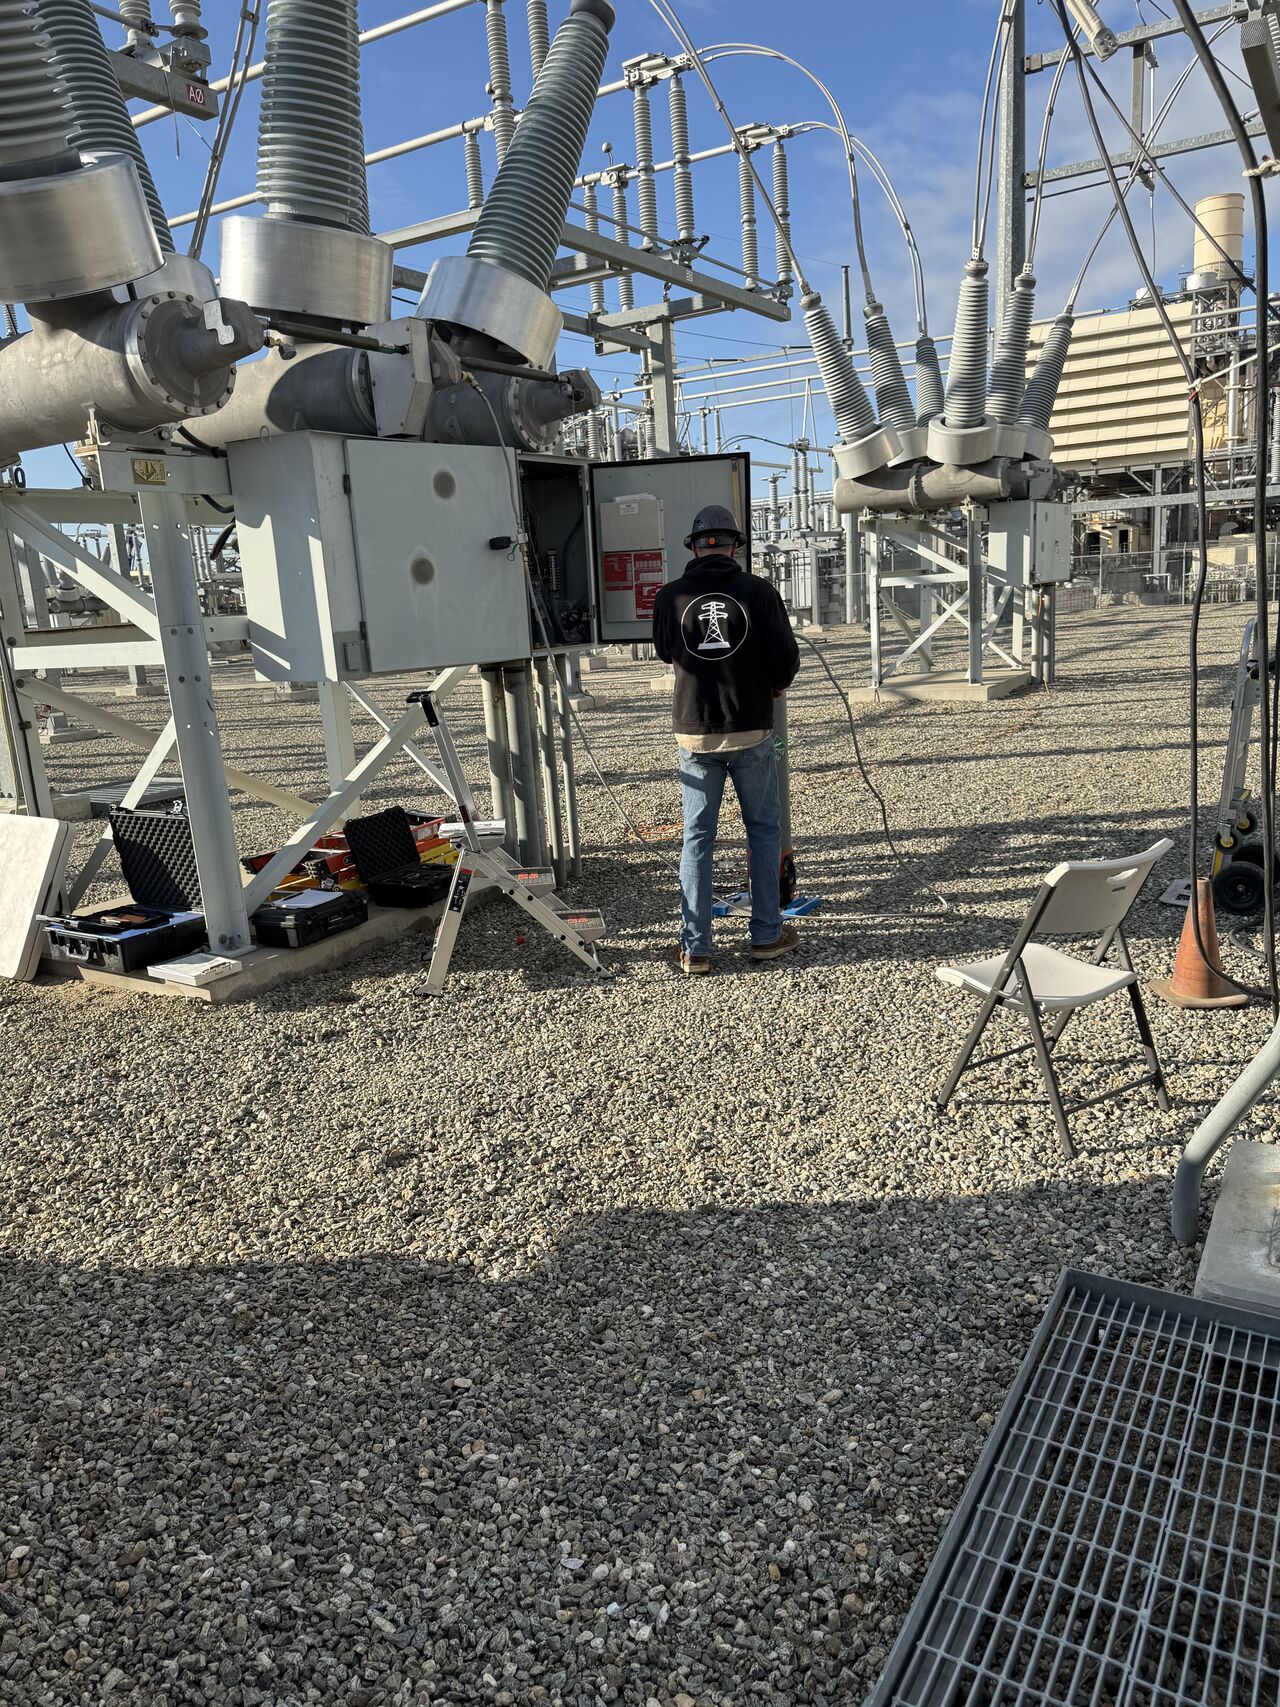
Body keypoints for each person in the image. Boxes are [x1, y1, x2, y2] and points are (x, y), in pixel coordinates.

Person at [653, 504, 800, 975]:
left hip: (694, 732)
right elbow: (785, 656)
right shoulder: (758, 590)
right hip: (751, 726)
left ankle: (695, 948)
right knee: (763, 830)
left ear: (695, 547)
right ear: (735, 546)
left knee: (697, 838)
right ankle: (766, 935)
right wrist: (773, 686)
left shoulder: (670, 596)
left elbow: (665, 652)